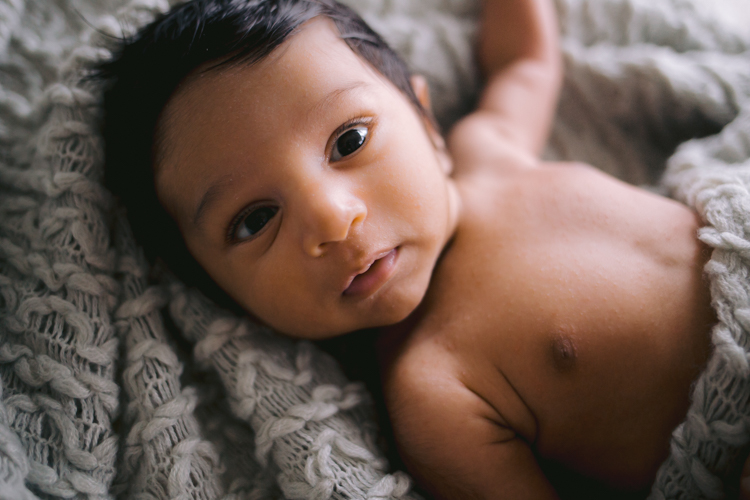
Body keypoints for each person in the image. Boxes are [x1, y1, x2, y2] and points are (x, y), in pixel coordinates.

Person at [96, 0, 750, 497]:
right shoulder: (432, 388)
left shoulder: (487, 152)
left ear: (428, 125)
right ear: (218, 292)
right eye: (255, 219)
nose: (332, 218)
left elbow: (525, 61)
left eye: (348, 142)